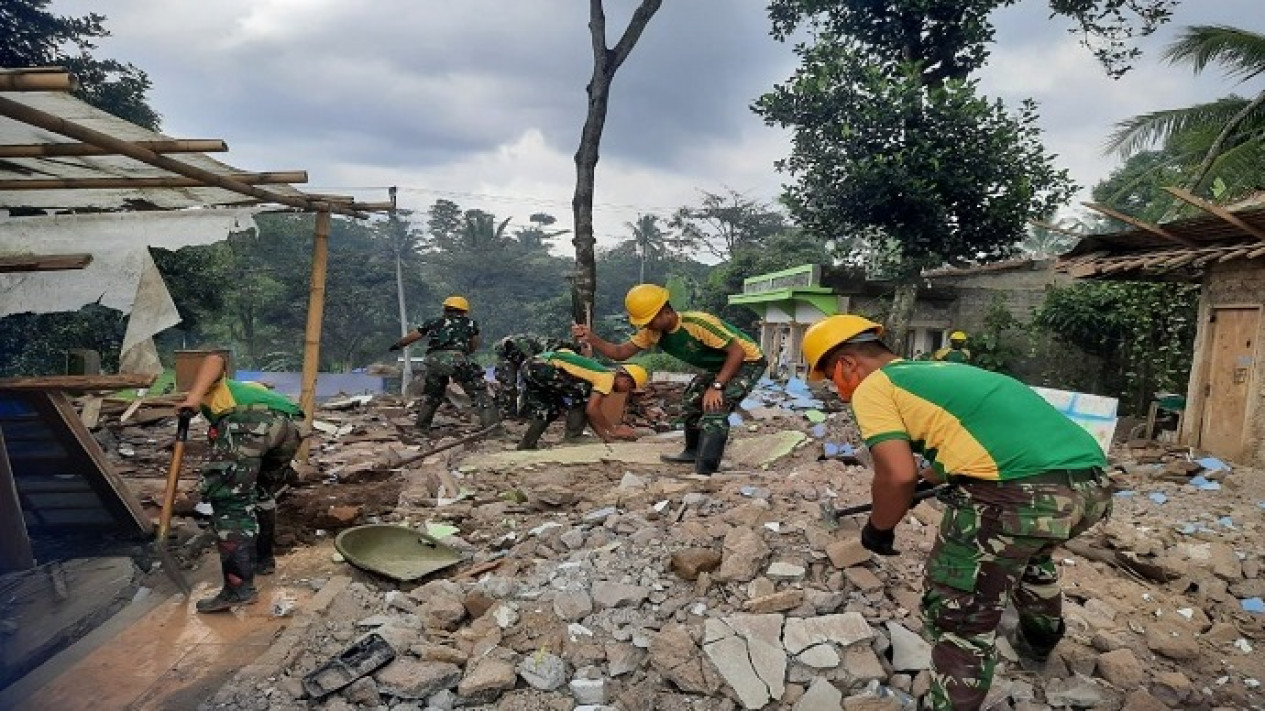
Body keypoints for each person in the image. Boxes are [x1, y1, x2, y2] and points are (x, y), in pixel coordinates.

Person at [800, 315, 1112, 711]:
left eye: (832, 378)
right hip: (1089, 488)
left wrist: (879, 529)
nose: (840, 393)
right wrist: (927, 484)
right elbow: (974, 437)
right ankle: (1038, 644)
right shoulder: (942, 371)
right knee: (1030, 554)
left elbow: (895, 475)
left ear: (847, 363)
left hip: (1017, 494)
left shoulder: (873, 387)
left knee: (960, 612)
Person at [572, 284, 767, 474]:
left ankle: (706, 469)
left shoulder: (698, 324)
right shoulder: (652, 333)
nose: (647, 325)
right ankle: (692, 452)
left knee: (716, 405)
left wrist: (717, 386)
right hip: (721, 365)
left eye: (650, 320)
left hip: (747, 361)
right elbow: (621, 352)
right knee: (692, 399)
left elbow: (737, 352)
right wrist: (592, 338)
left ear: (666, 312)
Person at [178, 353, 304, 613]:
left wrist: (193, 396)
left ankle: (238, 590)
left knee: (230, 504)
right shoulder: (248, 391)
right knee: (260, 493)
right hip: (287, 430)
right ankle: (263, 561)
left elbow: (214, 358)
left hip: (250, 425)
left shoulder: (215, 387)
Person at [390, 295, 498, 432]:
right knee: (480, 394)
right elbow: (473, 344)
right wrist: (466, 353)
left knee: (433, 396)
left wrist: (398, 345)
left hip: (434, 360)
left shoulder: (434, 322)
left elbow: (414, 336)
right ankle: (493, 431)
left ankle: (421, 429)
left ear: (445, 309)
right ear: (464, 311)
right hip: (456, 358)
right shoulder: (470, 324)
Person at [517, 350, 648, 449]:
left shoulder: (597, 374)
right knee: (583, 392)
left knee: (550, 410)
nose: (626, 391)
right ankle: (573, 437)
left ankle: (526, 445)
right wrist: (614, 429)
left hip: (530, 366)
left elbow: (590, 413)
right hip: (541, 367)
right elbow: (591, 409)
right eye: (629, 387)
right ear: (625, 379)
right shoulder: (607, 377)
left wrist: (606, 438)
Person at [492, 333, 582, 420]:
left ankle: (525, 409)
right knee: (512, 383)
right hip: (513, 353)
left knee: (542, 379)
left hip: (529, 355)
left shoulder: (559, 351)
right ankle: (510, 410)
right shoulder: (542, 348)